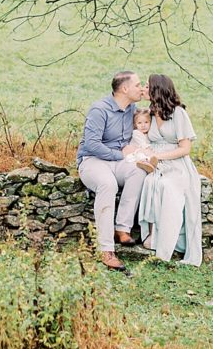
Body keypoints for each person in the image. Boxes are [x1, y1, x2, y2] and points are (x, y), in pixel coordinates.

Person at [77, 70, 148, 271]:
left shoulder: (131, 108)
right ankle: (106, 250)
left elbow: (152, 111)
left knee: (138, 172)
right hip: (93, 161)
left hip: (118, 160)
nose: (141, 88)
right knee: (108, 184)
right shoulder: (100, 110)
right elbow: (91, 144)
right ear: (124, 89)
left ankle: (122, 228)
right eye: (138, 85)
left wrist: (149, 94)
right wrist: (121, 155)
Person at [138, 74, 202, 266]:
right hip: (155, 162)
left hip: (177, 164)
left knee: (167, 187)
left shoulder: (178, 113)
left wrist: (160, 158)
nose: (144, 88)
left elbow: (185, 149)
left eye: (147, 86)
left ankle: (166, 245)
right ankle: (153, 236)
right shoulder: (148, 113)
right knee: (150, 182)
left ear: (157, 90)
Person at [124, 108, 160, 173]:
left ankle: (150, 164)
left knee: (146, 155)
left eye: (146, 122)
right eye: (139, 123)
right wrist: (150, 149)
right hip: (136, 152)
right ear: (135, 124)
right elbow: (143, 145)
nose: (143, 125)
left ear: (150, 123)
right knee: (140, 155)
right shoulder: (136, 133)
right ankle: (145, 163)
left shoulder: (149, 134)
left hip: (145, 152)